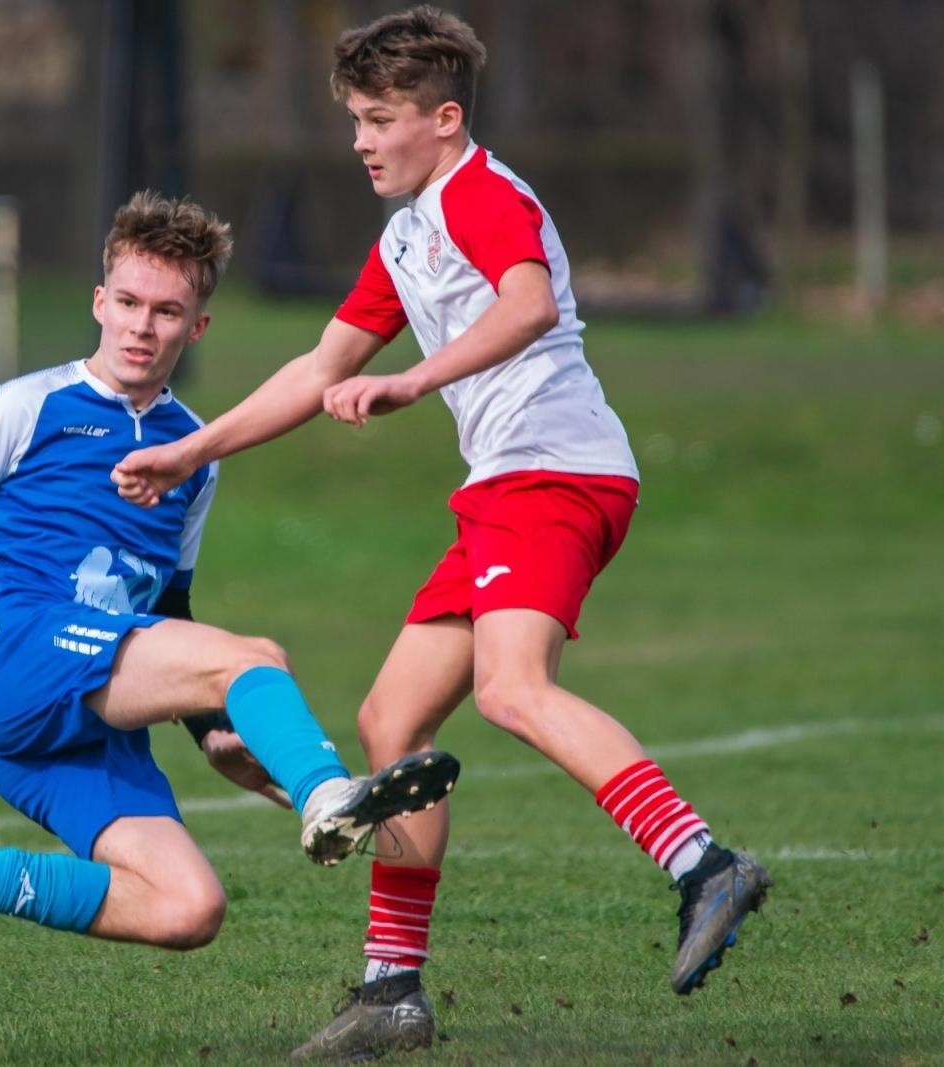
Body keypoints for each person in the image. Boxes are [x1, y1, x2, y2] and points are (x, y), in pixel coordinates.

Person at [111, 8, 771, 1058]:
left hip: (556, 474)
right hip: (504, 490)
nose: (362, 140)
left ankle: (702, 862)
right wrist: (195, 452)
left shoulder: (483, 195)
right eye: (356, 121)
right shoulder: (409, 229)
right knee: (390, 720)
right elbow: (315, 369)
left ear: (445, 118)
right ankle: (392, 991)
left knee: (512, 688)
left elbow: (530, 304)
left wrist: (414, 378)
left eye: (379, 119)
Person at [0, 190, 459, 956]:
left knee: (187, 909)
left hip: (90, 719)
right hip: (23, 657)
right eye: (127, 301)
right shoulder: (21, 408)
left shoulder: (195, 449)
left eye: (165, 310)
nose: (141, 326)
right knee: (255, 657)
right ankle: (325, 793)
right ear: (99, 301)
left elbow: (171, 601)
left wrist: (211, 730)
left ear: (197, 326)